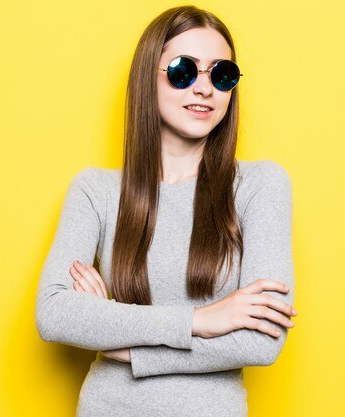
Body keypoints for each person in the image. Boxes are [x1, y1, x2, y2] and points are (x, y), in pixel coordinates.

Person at [34, 5, 298, 417]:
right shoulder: (95, 190)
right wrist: (200, 320)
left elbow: (261, 342)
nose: (204, 88)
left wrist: (117, 339)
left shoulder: (261, 186)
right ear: (147, 78)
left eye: (221, 73)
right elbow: (54, 313)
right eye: (183, 70)